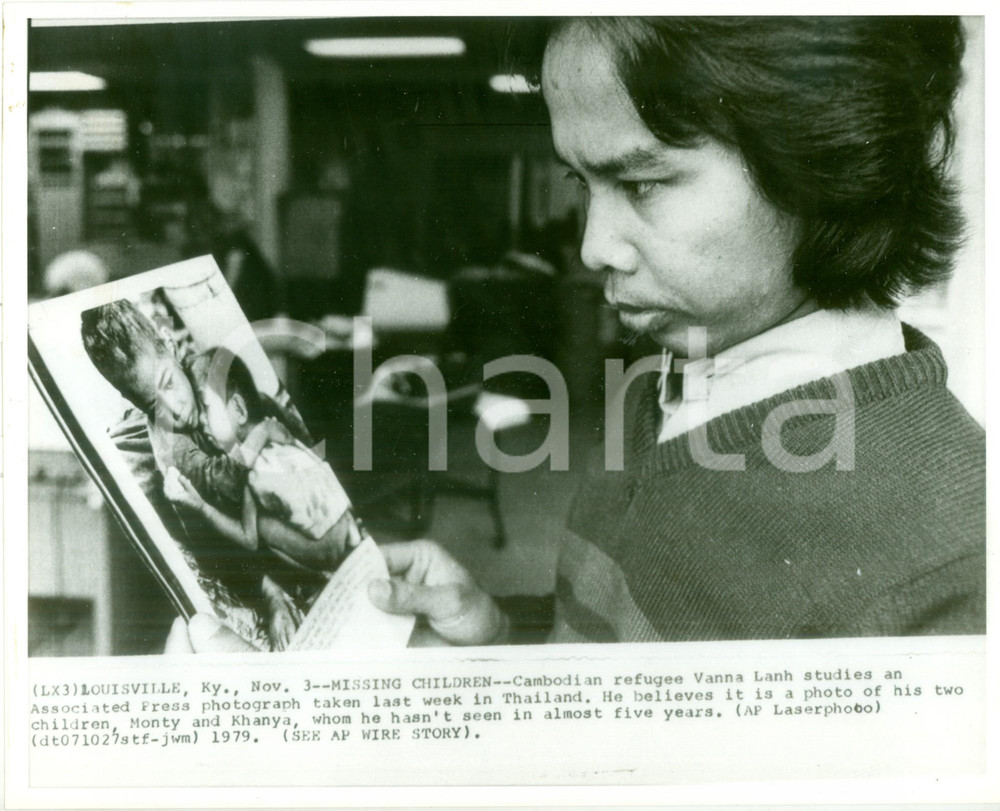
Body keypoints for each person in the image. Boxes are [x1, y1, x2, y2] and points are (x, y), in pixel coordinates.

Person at [168, 16, 984, 652]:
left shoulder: (952, 563)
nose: (595, 246)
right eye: (582, 180)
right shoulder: (666, 379)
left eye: (643, 181)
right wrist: (493, 634)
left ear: (825, 165)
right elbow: (622, 679)